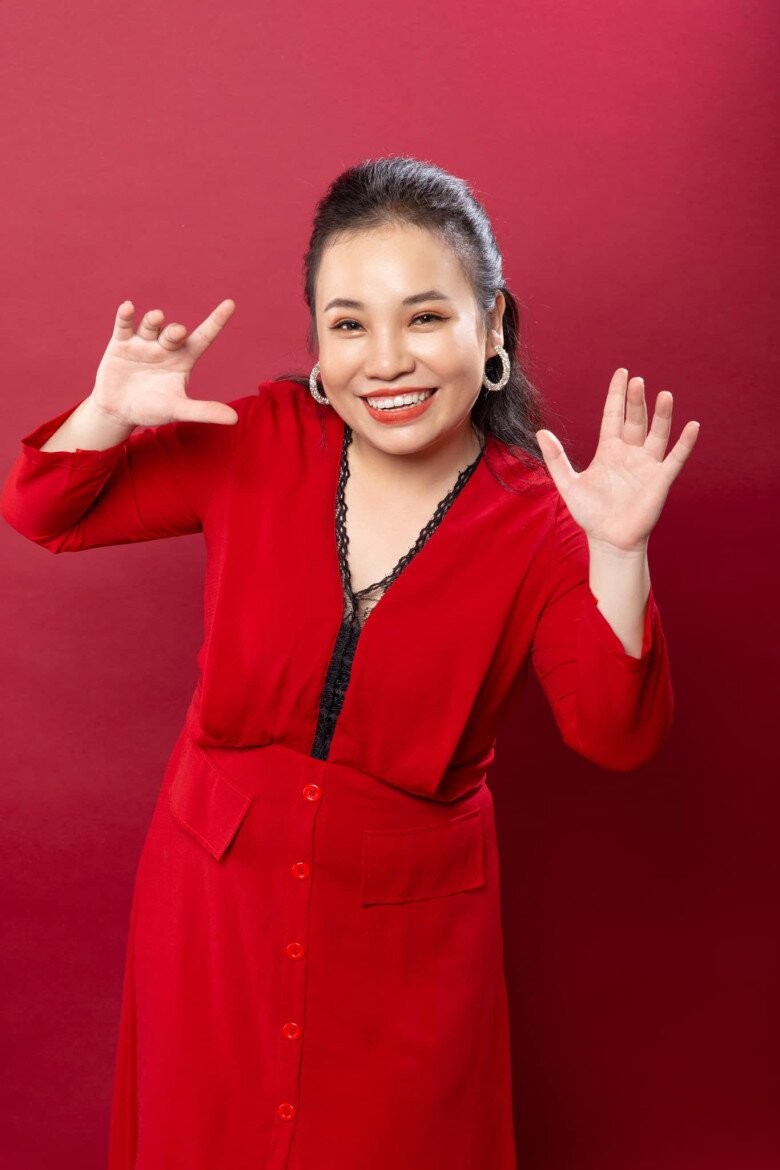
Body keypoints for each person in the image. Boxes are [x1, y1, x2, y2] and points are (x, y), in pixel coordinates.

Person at [0, 155, 698, 1170]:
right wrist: (108, 411)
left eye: (425, 317)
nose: (387, 362)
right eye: (349, 324)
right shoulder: (257, 440)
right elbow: (45, 513)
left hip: (409, 937)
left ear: (492, 327)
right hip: (214, 905)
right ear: (319, 347)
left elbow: (617, 735)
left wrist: (619, 554)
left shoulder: (544, 519)